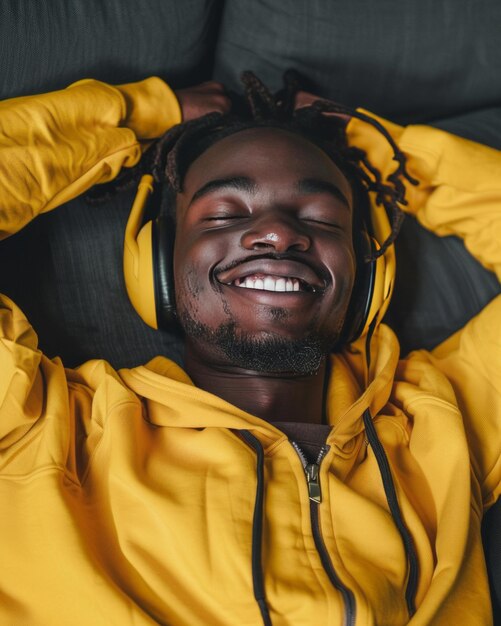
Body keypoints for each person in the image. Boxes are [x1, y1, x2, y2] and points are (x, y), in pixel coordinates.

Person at [0, 71, 500, 626]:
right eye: (224, 214)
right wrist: (136, 116)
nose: (279, 235)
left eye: (321, 217)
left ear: (367, 275)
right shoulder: (43, 429)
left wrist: (389, 155)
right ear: (158, 262)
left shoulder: (443, 424)